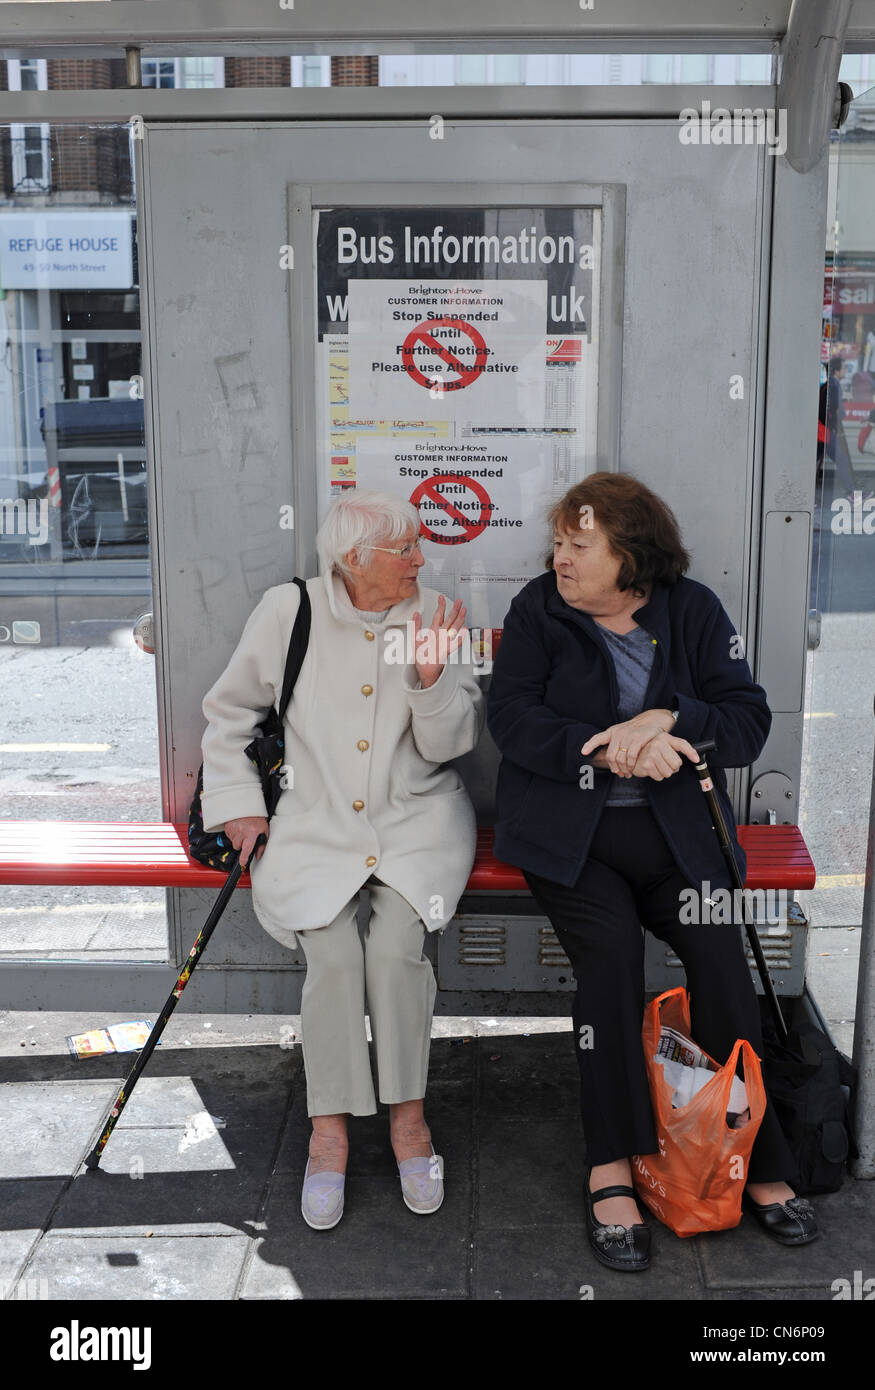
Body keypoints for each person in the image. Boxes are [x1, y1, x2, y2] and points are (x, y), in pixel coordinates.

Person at [486, 471, 817, 1271]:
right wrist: (605, 743)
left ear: (628, 554)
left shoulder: (691, 610)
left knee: (720, 966)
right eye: (558, 544)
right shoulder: (538, 609)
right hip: (573, 843)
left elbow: (746, 721)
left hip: (679, 845)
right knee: (609, 969)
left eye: (578, 546)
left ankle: (758, 1157)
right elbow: (511, 718)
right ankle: (611, 1164)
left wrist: (671, 718)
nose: (560, 559)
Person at [198, 489, 485, 1229]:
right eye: (406, 550)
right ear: (355, 561)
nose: (422, 559)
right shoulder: (288, 611)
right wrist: (239, 805)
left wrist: (427, 679)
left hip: (414, 823)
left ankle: (408, 1123)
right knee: (331, 958)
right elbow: (230, 715)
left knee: (394, 951)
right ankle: (329, 1132)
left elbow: (451, 744)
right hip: (315, 824)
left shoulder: (431, 613)